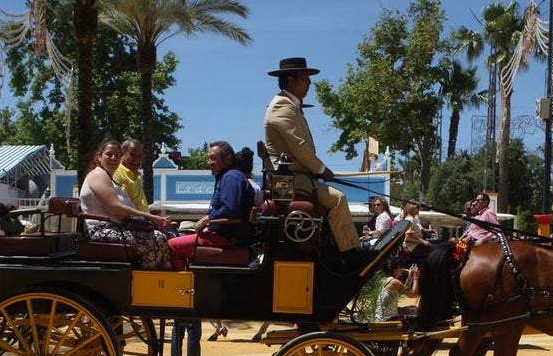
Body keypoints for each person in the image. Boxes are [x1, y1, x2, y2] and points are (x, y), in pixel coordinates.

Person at [263, 57, 363, 267]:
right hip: (291, 180)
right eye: (305, 78)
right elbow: (299, 147)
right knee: (338, 199)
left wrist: (318, 170)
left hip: (299, 177)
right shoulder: (282, 105)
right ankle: (350, 254)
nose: (310, 83)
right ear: (291, 81)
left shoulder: (292, 106)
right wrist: (321, 169)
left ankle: (332, 250)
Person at [79, 137, 173, 269]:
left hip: (116, 228)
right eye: (109, 154)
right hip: (101, 230)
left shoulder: (109, 179)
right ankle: (147, 280)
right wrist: (153, 218)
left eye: (117, 155)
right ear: (98, 157)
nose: (113, 158)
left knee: (162, 237)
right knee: (156, 239)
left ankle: (160, 278)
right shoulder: (97, 175)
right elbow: (116, 209)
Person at [169, 140, 256, 272]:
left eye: (213, 158)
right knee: (179, 236)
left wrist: (205, 220)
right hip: (222, 233)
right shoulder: (227, 177)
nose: (209, 162)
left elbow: (230, 209)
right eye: (208, 158)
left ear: (227, 158)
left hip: (227, 237)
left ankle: (184, 285)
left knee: (172, 245)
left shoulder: (231, 177)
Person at [374, 258, 419, 322]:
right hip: (388, 319)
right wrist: (416, 278)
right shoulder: (394, 282)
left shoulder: (384, 280)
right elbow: (413, 294)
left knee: (412, 308)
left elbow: (404, 288)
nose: (401, 269)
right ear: (395, 270)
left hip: (380, 317)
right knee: (416, 311)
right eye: (400, 267)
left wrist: (410, 276)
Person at [115, 138, 150, 212]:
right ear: (122, 154)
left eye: (140, 156)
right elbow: (120, 207)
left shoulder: (136, 175)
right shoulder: (118, 174)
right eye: (133, 155)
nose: (137, 159)